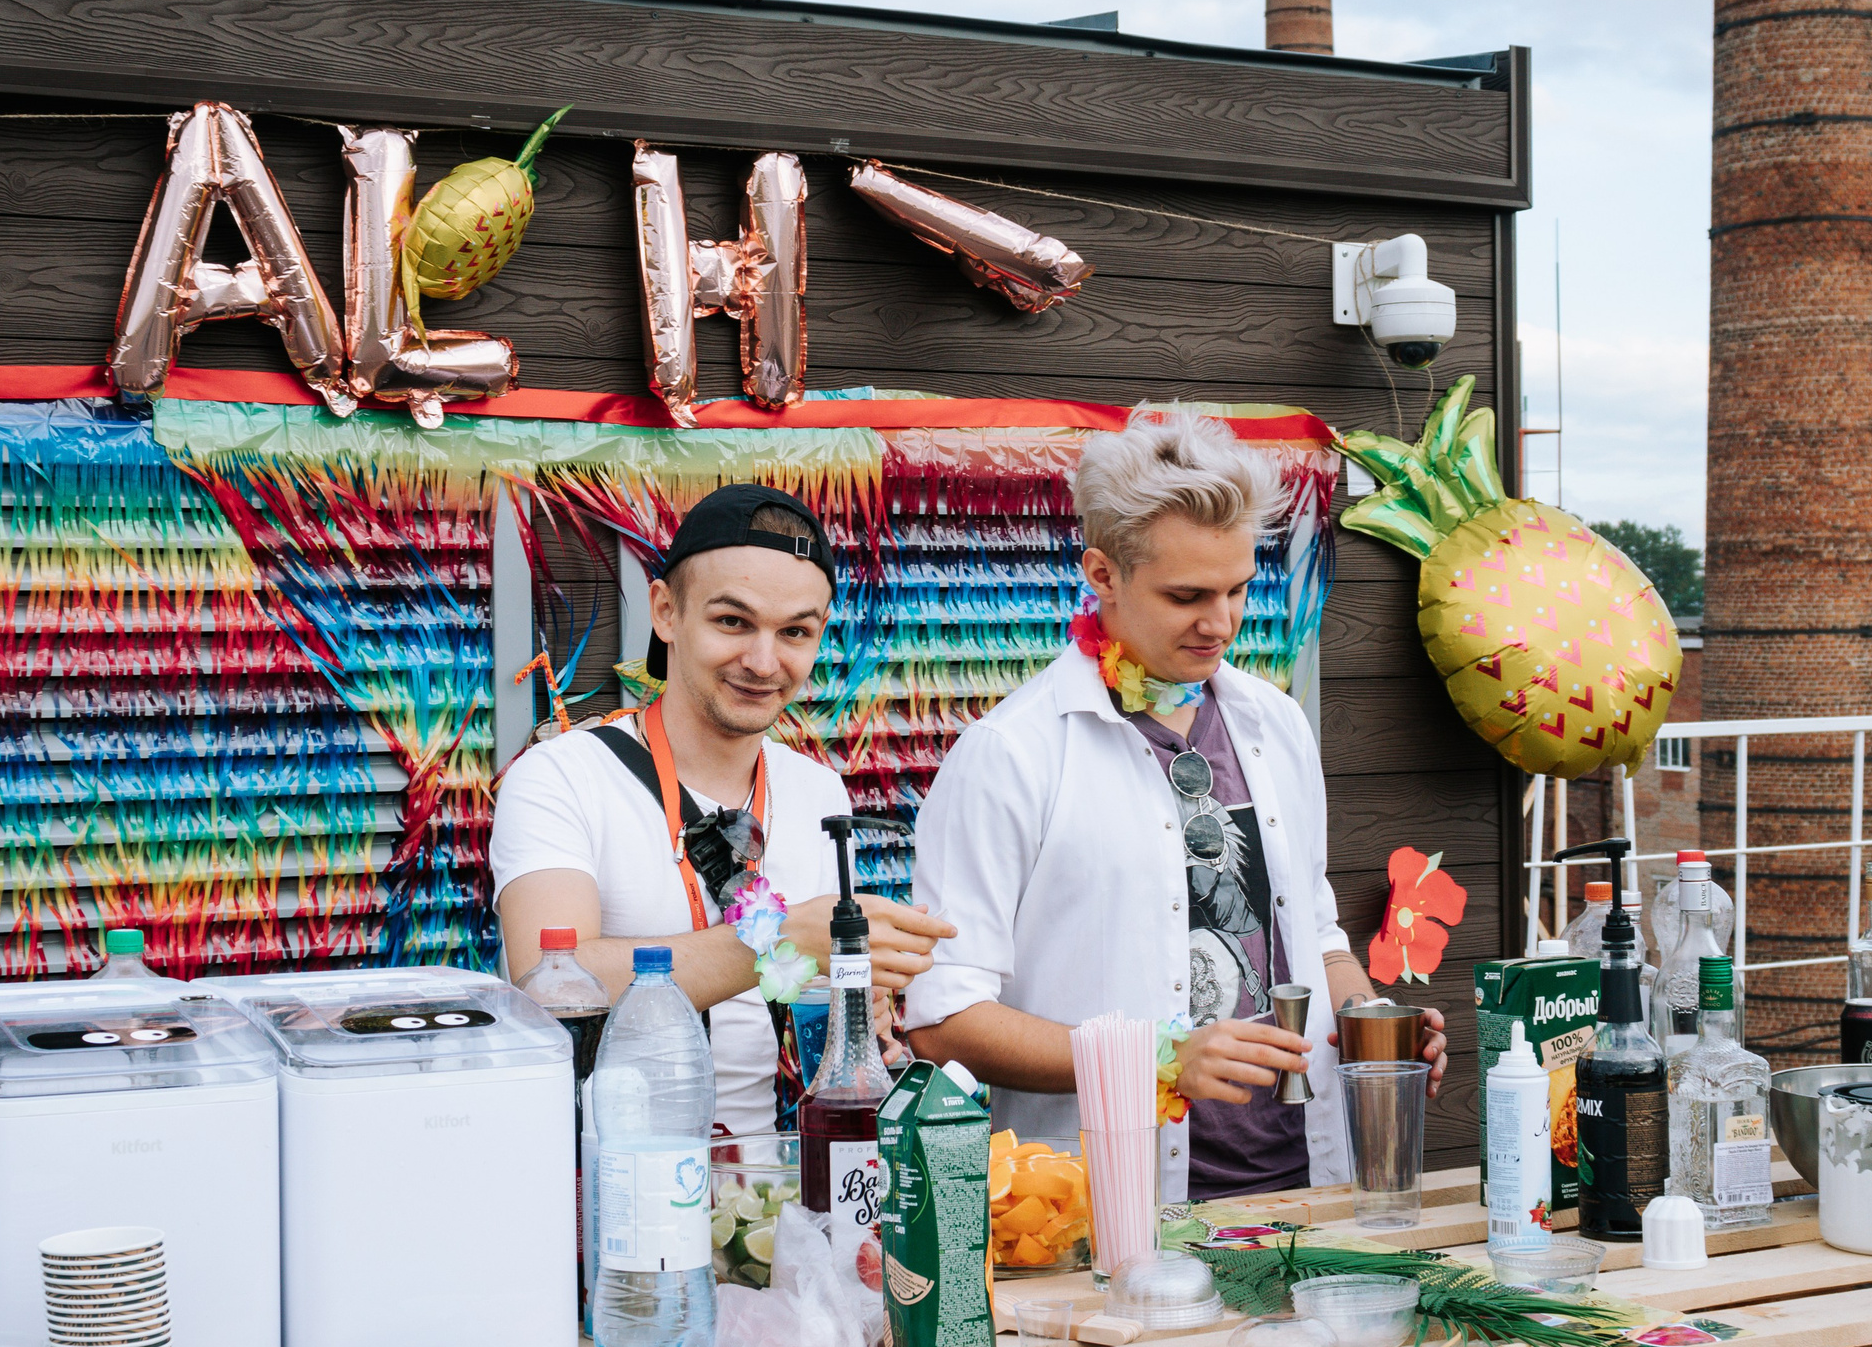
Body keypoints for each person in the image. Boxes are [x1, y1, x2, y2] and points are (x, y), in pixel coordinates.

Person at [905, 407, 1448, 1202]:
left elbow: (1316, 934)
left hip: (1312, 1184)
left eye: (1237, 588)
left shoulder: (1277, 724)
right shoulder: (1010, 754)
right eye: (1187, 594)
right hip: (1110, 1209)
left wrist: (1370, 1021)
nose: (1221, 622)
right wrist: (1157, 1060)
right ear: (1101, 574)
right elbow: (942, 1019)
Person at [492, 484, 954, 1134]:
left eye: (795, 631)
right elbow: (551, 987)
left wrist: (856, 1009)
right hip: (617, 1187)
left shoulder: (819, 793)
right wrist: (783, 938)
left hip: (783, 1192)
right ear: (665, 612)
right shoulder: (562, 777)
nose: (763, 662)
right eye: (732, 621)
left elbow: (801, 1004)